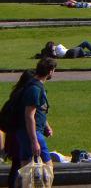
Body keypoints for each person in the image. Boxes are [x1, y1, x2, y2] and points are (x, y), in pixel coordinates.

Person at [1, 57, 56, 186]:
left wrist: (46, 125)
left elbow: (38, 111)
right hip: (32, 133)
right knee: (47, 168)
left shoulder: (31, 87)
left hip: (27, 132)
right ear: (50, 71)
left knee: (24, 168)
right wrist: (34, 141)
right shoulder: (35, 89)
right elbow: (29, 115)